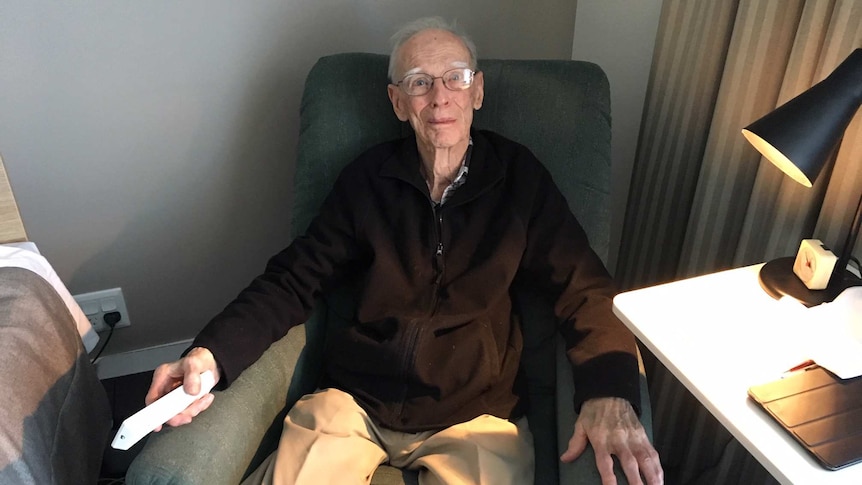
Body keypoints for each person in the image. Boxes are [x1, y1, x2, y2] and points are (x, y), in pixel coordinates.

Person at [146, 16, 664, 485]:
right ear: (397, 102)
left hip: (477, 418)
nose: (440, 98)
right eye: (419, 83)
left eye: (455, 78)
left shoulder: (520, 179)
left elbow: (585, 288)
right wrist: (209, 355)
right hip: (350, 403)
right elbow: (293, 279)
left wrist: (609, 389)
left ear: (477, 91)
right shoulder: (366, 180)